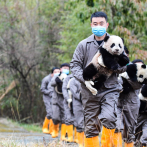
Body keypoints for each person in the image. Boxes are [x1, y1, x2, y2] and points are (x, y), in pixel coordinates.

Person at [70, 11, 127, 147]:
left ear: (106, 25)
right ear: (91, 25)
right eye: (95, 24)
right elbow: (74, 65)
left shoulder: (117, 42)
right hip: (89, 91)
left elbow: (124, 66)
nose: (98, 26)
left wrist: (111, 64)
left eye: (101, 23)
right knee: (91, 127)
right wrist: (84, 79)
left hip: (110, 89)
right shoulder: (83, 45)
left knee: (109, 118)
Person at [114, 59, 144, 147]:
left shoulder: (141, 77)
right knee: (117, 126)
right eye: (136, 66)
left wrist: (126, 76)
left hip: (132, 104)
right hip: (119, 102)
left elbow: (136, 85)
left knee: (130, 131)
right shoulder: (121, 72)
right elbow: (116, 85)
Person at [50, 63, 70, 138]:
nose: (66, 69)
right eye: (64, 68)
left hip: (65, 101)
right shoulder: (57, 76)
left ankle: (63, 135)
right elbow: (52, 83)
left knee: (65, 118)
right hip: (55, 101)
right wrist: (58, 80)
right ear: (61, 69)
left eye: (67, 68)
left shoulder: (69, 77)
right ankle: (55, 130)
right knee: (55, 117)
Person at [41, 67, 60, 134]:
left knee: (54, 113)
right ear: (52, 73)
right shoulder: (46, 79)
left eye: (58, 71)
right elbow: (42, 89)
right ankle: (45, 127)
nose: (57, 73)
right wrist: (49, 92)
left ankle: (51, 130)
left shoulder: (59, 78)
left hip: (54, 97)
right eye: (55, 72)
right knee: (49, 112)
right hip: (47, 97)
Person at [70, 77, 84, 147]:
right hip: (77, 103)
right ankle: (80, 142)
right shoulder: (73, 80)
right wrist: (83, 97)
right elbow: (75, 93)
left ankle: (87, 142)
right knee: (79, 122)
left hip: (88, 103)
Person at [62, 73, 75, 142]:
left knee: (79, 120)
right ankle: (70, 138)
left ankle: (77, 138)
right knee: (69, 118)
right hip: (68, 101)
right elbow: (64, 89)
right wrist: (67, 98)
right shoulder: (68, 78)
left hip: (78, 101)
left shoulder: (82, 76)